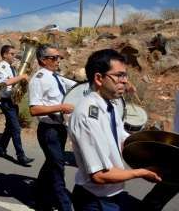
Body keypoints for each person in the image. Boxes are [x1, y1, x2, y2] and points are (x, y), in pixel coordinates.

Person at [69, 49, 178, 211]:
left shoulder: (110, 106)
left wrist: (157, 153)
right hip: (96, 200)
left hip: (112, 193)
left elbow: (125, 141)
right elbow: (99, 175)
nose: (125, 81)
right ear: (99, 78)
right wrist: (141, 172)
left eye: (125, 75)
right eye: (119, 76)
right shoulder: (88, 115)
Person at [28, 44, 76, 211]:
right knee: (57, 168)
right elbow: (34, 109)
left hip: (59, 128)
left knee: (52, 164)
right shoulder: (39, 79)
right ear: (43, 60)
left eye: (59, 57)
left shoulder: (56, 77)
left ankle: (41, 199)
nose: (58, 61)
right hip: (49, 131)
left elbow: (78, 86)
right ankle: (64, 206)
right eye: (54, 58)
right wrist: (60, 108)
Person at [0, 44, 34, 165]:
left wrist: (22, 80)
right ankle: (20, 156)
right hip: (6, 102)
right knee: (16, 128)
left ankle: (1, 149)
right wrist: (21, 76)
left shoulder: (11, 67)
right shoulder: (1, 67)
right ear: (5, 54)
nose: (14, 56)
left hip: (12, 101)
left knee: (9, 128)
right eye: (11, 54)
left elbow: (15, 83)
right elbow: (5, 83)